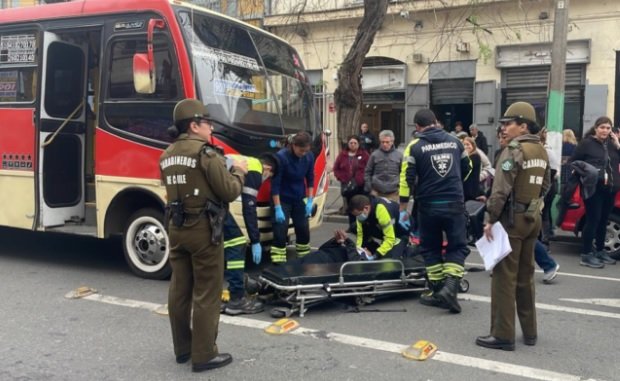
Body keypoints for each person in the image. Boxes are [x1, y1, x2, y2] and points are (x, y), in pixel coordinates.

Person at [160, 98, 246, 372]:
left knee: (179, 289)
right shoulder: (206, 154)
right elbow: (228, 191)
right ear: (194, 125)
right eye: (207, 123)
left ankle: (182, 349)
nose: (211, 128)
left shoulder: (167, 154)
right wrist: (238, 173)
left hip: (176, 227)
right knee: (207, 292)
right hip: (203, 229)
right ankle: (204, 354)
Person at [476, 101, 550, 351]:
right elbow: (548, 184)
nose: (504, 128)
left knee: (503, 278)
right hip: (532, 218)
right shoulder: (540, 150)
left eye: (509, 124)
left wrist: (490, 219)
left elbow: (499, 191)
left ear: (523, 126)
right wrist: (534, 206)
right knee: (526, 277)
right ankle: (530, 332)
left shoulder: (513, 150)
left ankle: (503, 334)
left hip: (511, 221)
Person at [399, 108, 471, 313]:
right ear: (436, 122)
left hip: (428, 205)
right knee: (457, 246)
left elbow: (406, 179)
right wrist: (455, 185)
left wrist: (404, 208)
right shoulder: (456, 141)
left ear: (417, 127)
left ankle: (440, 290)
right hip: (454, 202)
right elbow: (468, 169)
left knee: (430, 247)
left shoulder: (414, 146)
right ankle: (448, 289)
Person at [221, 153, 278, 315]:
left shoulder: (247, 160)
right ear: (267, 168)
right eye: (268, 177)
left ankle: (209, 298)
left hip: (201, 198)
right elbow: (249, 207)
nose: (265, 179)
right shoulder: (255, 170)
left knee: (214, 246)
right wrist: (255, 241)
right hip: (210, 202)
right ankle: (237, 300)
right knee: (236, 243)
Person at [569, 116, 619, 268]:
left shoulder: (611, 144)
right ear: (596, 128)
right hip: (593, 189)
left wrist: (618, 145)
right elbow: (573, 163)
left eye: (608, 128)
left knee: (604, 220)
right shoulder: (586, 144)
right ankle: (586, 254)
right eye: (602, 127)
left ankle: (600, 251)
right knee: (593, 220)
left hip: (610, 188)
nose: (605, 130)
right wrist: (589, 172)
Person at [270, 131, 315, 264]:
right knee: (280, 230)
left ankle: (304, 260)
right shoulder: (281, 157)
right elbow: (275, 185)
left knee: (303, 229)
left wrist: (310, 200)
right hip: (282, 198)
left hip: (299, 197)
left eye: (306, 150)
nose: (304, 153)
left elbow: (310, 179)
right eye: (301, 150)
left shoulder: (309, 156)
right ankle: (278, 263)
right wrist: (277, 207)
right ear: (294, 146)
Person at [348, 194, 409, 259]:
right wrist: (359, 250)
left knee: (389, 261)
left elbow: (390, 239)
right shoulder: (362, 211)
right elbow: (360, 235)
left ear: (366, 208)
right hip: (385, 228)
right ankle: (375, 248)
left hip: (400, 232)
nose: (358, 217)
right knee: (354, 227)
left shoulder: (381, 210)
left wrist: (376, 255)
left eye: (359, 214)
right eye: (356, 215)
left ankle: (405, 250)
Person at [333, 135, 370, 229]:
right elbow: (336, 168)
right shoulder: (342, 155)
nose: (353, 145)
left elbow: (369, 168)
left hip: (360, 186)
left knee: (361, 206)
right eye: (351, 143)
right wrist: (341, 178)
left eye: (355, 143)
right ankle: (352, 226)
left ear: (358, 144)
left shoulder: (364, 154)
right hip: (348, 185)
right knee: (351, 206)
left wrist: (362, 178)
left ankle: (362, 226)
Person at [364, 130, 402, 202]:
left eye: (387, 142)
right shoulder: (374, 155)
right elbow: (367, 172)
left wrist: (400, 188)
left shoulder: (399, 156)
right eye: (382, 142)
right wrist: (370, 189)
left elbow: (403, 173)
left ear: (392, 142)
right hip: (376, 193)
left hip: (393, 193)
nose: (385, 144)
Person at [539, 128, 560, 246]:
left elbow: (552, 171)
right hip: (551, 184)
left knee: (543, 212)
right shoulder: (547, 149)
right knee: (545, 211)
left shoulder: (545, 150)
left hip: (549, 185)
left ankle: (544, 240)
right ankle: (548, 235)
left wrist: (543, 190)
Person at [462, 137, 485, 202]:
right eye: (464, 144)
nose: (466, 146)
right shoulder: (466, 157)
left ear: (473, 146)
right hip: (465, 190)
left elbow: (466, 168)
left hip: (471, 190)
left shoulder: (475, 157)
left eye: (468, 144)